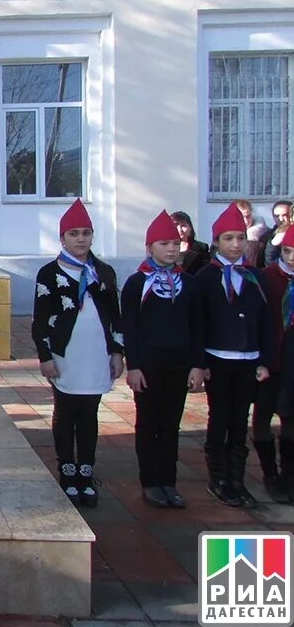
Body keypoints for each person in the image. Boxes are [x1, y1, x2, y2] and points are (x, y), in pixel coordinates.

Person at [31, 199, 124, 508]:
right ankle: (66, 468)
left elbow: (115, 315)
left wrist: (117, 352)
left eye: (86, 233)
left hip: (96, 354)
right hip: (65, 355)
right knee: (66, 410)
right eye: (74, 233)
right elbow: (40, 319)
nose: (81, 239)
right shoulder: (49, 274)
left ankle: (86, 470)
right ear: (63, 238)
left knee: (89, 413)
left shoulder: (104, 273)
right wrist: (45, 356)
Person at [121, 211, 204, 509]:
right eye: (164, 243)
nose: (171, 248)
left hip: (180, 364)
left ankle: (169, 481)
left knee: (171, 425)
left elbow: (198, 326)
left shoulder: (190, 284)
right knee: (148, 424)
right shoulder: (135, 284)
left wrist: (197, 364)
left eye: (175, 242)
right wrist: (134, 366)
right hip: (148, 366)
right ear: (149, 247)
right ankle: (151, 482)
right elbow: (129, 327)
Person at [195, 202, 272, 508]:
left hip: (248, 359)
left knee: (241, 420)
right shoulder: (205, 277)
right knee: (220, 417)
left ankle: (237, 480)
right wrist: (200, 362)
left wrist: (264, 359)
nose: (235, 244)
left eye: (240, 238)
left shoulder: (255, 277)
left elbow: (266, 321)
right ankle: (218, 478)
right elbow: (199, 322)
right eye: (228, 238)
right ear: (216, 241)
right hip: (217, 358)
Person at [255, 224, 294, 503]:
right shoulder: (267, 278)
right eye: (288, 251)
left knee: (290, 421)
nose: (292, 258)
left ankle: (288, 476)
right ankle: (269, 473)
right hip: (270, 360)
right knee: (262, 419)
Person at [171, 211, 210, 275]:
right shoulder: (163, 248)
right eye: (176, 225)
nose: (179, 229)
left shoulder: (201, 248)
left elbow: (206, 274)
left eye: (183, 226)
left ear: (190, 228)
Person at [235, 198, 269, 267]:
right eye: (241, 217)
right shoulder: (223, 235)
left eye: (248, 216)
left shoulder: (265, 235)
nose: (246, 221)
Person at [262, 200, 292, 267]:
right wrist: (272, 244)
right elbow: (268, 265)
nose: (281, 219)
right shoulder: (266, 237)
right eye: (277, 216)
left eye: (285, 215)